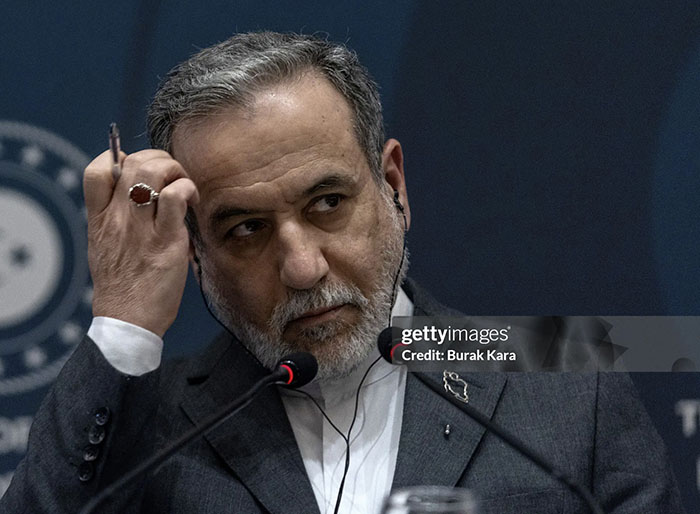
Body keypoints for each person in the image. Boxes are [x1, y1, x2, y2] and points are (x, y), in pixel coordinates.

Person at [0, 31, 684, 513]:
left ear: (394, 188)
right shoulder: (145, 430)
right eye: (245, 230)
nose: (302, 268)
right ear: (196, 252)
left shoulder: (569, 388)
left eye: (328, 203)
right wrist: (123, 321)